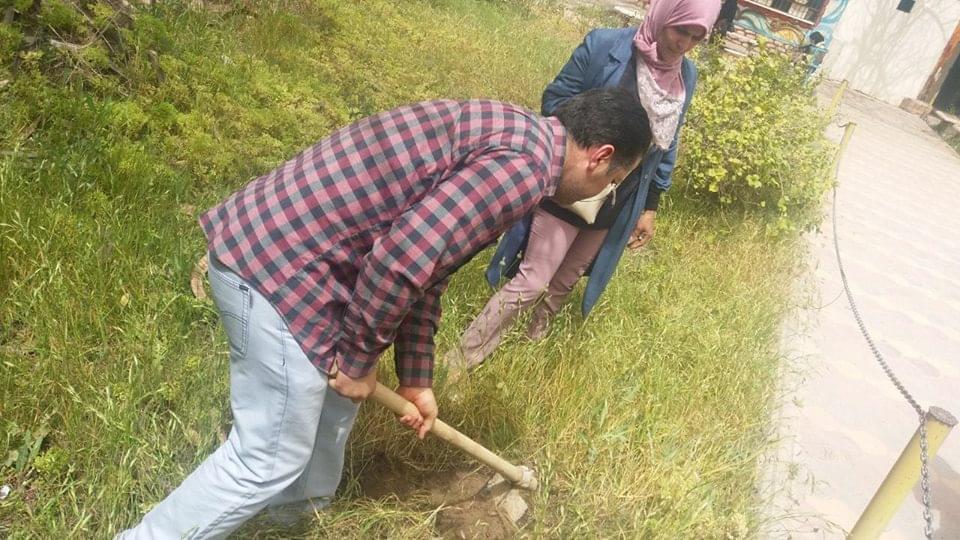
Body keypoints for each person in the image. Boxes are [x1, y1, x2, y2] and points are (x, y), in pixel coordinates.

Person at [116, 87, 650, 539]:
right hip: (281, 272)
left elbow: (429, 268)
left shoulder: (517, 132)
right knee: (267, 459)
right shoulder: (524, 170)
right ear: (600, 156)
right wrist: (358, 358)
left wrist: (416, 379)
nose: (604, 194)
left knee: (337, 406)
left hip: (277, 247)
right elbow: (401, 259)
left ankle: (298, 519)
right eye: (611, 183)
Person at [445, 0, 721, 376]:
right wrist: (594, 145)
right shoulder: (605, 46)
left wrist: (650, 205)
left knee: (563, 283)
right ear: (663, 16)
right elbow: (555, 100)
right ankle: (460, 361)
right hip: (572, 183)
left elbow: (668, 143)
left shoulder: (685, 75)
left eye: (695, 38)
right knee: (533, 281)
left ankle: (524, 354)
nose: (683, 44)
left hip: (618, 199)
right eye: (680, 31)